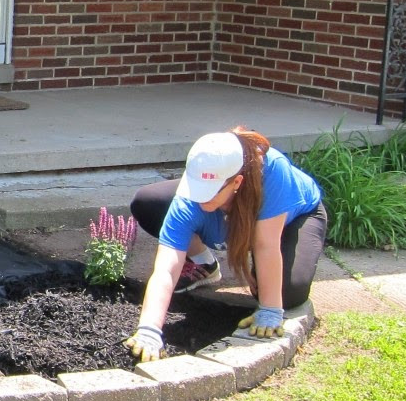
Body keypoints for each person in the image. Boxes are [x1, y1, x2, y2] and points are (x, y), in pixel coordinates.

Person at [123, 127, 327, 363]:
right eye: (197, 189)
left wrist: (270, 309)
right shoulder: (192, 198)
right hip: (230, 210)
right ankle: (204, 264)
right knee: (151, 203)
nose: (200, 198)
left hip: (294, 218)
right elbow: (166, 269)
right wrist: (149, 329)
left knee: (287, 293)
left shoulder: (274, 172)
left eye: (209, 192)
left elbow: (265, 245)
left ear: (236, 182)